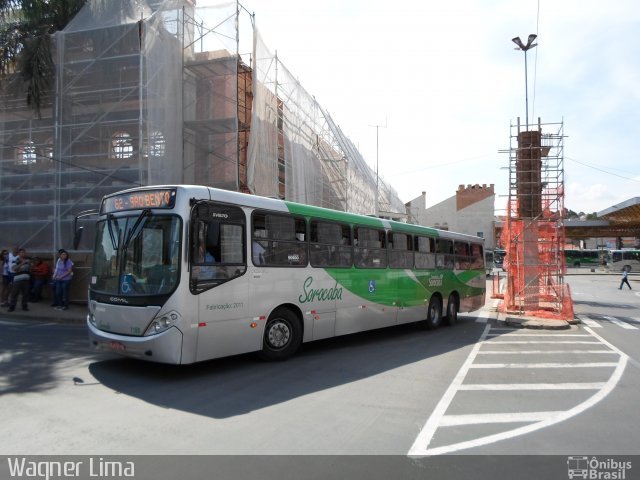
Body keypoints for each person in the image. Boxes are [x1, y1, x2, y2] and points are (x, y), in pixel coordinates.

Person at [7, 248, 31, 312]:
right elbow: (14, 268)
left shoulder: (28, 260)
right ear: (19, 253)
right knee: (15, 293)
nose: (23, 253)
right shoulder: (16, 260)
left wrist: (30, 265)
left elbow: (29, 269)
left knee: (25, 294)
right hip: (18, 279)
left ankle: (24, 306)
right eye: (21, 252)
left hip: (26, 279)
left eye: (24, 252)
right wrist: (22, 263)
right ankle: (12, 306)